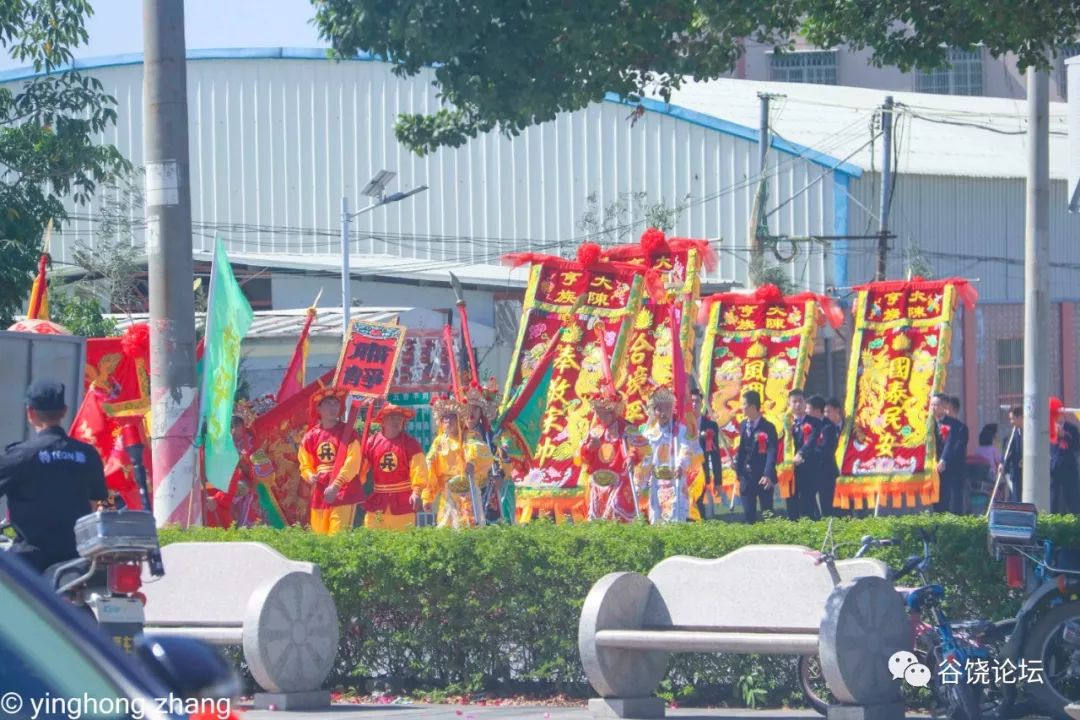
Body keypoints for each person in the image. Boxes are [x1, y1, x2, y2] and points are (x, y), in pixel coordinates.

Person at [0, 382, 108, 574]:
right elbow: (94, 502)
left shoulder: (20, 456)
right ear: (64, 411)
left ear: (30, 412)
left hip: (31, 558)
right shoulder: (88, 454)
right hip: (77, 555)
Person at [297, 386, 365, 535]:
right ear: (319, 408)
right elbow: (305, 464)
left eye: (336, 403)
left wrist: (337, 484)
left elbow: (353, 461)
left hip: (343, 489)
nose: (333, 407)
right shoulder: (310, 436)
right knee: (320, 536)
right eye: (328, 403)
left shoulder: (348, 433)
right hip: (320, 489)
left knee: (338, 535)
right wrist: (310, 476)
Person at [427, 394, 493, 528]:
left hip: (467, 489)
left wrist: (471, 462)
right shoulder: (438, 442)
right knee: (446, 527)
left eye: (451, 418)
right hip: (448, 491)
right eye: (444, 419)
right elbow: (429, 467)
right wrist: (427, 497)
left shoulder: (468, 436)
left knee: (470, 526)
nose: (448, 422)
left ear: (459, 420)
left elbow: (476, 448)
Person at [361, 403, 429, 530]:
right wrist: (355, 482)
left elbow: (419, 470)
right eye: (392, 417)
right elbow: (361, 469)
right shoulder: (371, 442)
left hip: (403, 500)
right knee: (371, 539)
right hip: (377, 500)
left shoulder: (410, 443)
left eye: (399, 418)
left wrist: (417, 492)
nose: (396, 421)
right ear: (383, 421)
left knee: (402, 542)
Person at [579, 387, 638, 522]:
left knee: (615, 507)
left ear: (614, 412)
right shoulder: (595, 431)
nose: (600, 417)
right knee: (595, 514)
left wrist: (631, 457)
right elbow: (582, 457)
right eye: (598, 413)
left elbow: (640, 448)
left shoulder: (627, 428)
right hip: (599, 479)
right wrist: (590, 448)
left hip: (620, 480)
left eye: (604, 414)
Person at [637, 386, 693, 524]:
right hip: (656, 484)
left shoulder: (680, 430)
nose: (663, 413)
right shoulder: (649, 435)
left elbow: (686, 449)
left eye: (667, 409)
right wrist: (639, 483)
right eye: (659, 409)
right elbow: (646, 461)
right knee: (657, 519)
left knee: (676, 518)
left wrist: (680, 465)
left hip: (675, 482)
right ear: (653, 411)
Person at [205, 413, 260, 528]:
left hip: (249, 484)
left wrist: (246, 461)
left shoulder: (253, 443)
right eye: (231, 427)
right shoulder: (227, 443)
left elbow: (262, 468)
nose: (233, 431)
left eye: (236, 426)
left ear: (243, 426)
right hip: (229, 484)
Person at [735, 390, 778, 524]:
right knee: (749, 515)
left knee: (767, 514)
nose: (742, 408)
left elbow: (772, 453)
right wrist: (737, 466)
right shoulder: (743, 425)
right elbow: (742, 450)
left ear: (753, 407)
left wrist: (768, 474)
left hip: (763, 477)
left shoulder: (768, 427)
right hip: (746, 477)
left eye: (744, 405)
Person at [787, 388, 822, 520]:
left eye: (800, 401)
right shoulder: (786, 423)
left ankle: (809, 533)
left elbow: (812, 440)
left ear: (805, 403)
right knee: (791, 503)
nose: (797, 405)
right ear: (789, 404)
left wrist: (801, 454)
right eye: (794, 402)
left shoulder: (814, 422)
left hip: (808, 468)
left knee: (807, 503)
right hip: (790, 470)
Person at [931, 393, 966, 514]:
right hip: (931, 467)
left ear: (944, 406)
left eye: (936, 405)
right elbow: (910, 432)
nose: (933, 408)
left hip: (947, 468)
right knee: (935, 500)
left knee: (948, 499)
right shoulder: (928, 423)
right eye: (932, 405)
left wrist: (943, 460)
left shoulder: (953, 424)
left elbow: (950, 443)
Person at [693, 388, 723, 520]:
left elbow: (715, 455)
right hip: (683, 472)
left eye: (697, 401)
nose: (694, 404)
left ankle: (700, 529)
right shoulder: (680, 423)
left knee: (698, 501)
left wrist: (718, 480)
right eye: (692, 401)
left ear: (701, 404)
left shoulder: (710, 425)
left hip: (701, 472)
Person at [808, 395, 838, 517]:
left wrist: (807, 451)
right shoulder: (809, 425)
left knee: (827, 505)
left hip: (826, 472)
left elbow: (826, 449)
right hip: (812, 472)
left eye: (808, 409)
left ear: (816, 411)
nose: (806, 411)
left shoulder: (828, 427)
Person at [1050, 398, 1080, 514]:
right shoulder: (1048, 429)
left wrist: (1064, 436)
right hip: (1054, 468)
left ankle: (1075, 522)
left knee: (1072, 498)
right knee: (1053, 498)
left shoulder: (1072, 428)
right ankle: (1052, 521)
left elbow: (1077, 447)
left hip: (1069, 468)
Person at [1002, 405, 1023, 501]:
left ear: (1020, 417)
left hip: (1029, 475)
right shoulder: (1013, 433)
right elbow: (1007, 451)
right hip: (1016, 473)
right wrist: (1002, 463)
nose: (1011, 422)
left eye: (1013, 419)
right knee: (1016, 499)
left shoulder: (1030, 432)